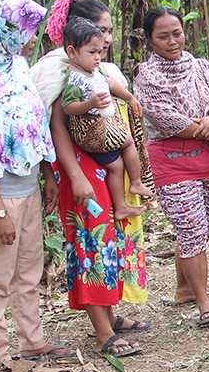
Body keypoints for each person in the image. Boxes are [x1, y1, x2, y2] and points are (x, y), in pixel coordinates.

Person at [32, 0, 150, 357]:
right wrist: (74, 176)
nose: (106, 42)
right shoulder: (58, 72)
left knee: (107, 240)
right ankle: (102, 332)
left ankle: (110, 316)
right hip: (81, 169)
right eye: (99, 33)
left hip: (103, 161)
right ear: (72, 43)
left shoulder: (96, 69)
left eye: (107, 35)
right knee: (91, 243)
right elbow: (56, 127)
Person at [0, 0, 77, 369]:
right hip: (0, 197)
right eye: (18, 30)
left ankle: (32, 342)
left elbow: (35, 126)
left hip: (28, 188)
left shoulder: (17, 68)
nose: (25, 37)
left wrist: (48, 173)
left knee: (29, 270)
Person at [135, 6, 209, 326]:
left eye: (176, 33)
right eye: (162, 36)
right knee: (191, 230)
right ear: (151, 40)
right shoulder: (146, 75)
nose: (172, 41)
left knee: (201, 228)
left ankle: (184, 289)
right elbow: (162, 116)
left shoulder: (201, 66)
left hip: (207, 160)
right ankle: (204, 302)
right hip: (171, 162)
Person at [60, 18, 154, 221]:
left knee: (116, 165)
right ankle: (136, 182)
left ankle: (120, 206)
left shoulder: (92, 71)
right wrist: (90, 104)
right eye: (92, 52)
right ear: (72, 52)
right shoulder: (74, 79)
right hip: (91, 132)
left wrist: (129, 97)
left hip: (99, 127)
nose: (97, 57)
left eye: (99, 52)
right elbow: (68, 108)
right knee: (128, 141)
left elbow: (109, 83)